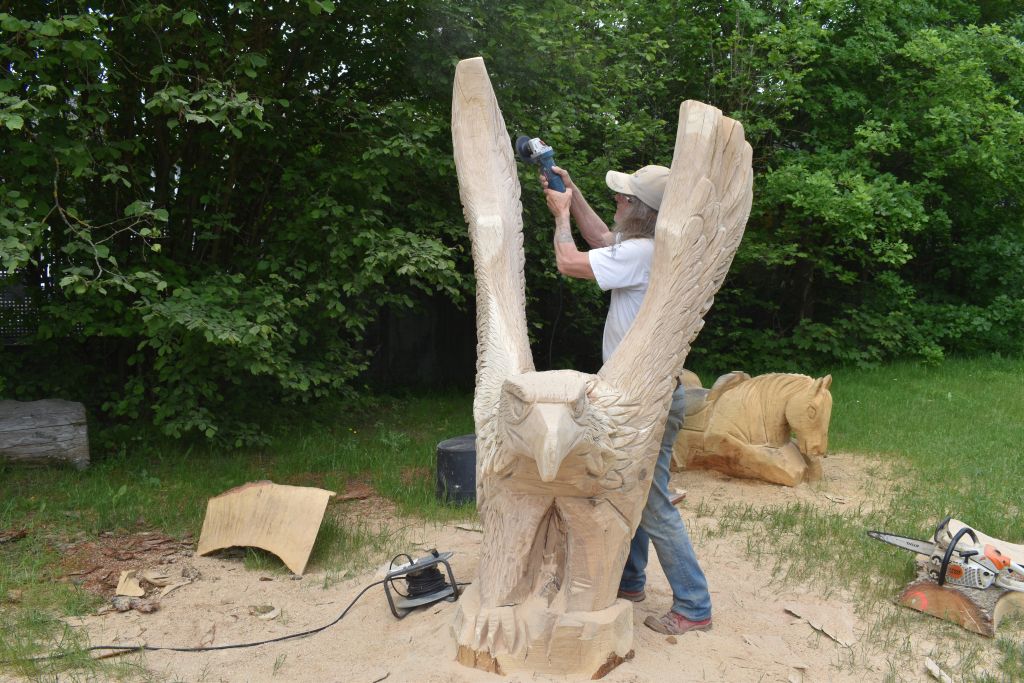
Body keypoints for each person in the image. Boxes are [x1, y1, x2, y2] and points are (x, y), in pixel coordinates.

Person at [540, 163, 713, 635]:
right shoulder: (647, 246)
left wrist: (559, 217)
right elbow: (600, 238)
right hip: (642, 393)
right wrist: (570, 192)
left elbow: (570, 261)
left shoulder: (641, 252)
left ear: (640, 212)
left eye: (622, 198)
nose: (616, 201)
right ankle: (632, 579)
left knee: (653, 500)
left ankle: (694, 606)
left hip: (647, 399)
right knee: (625, 484)